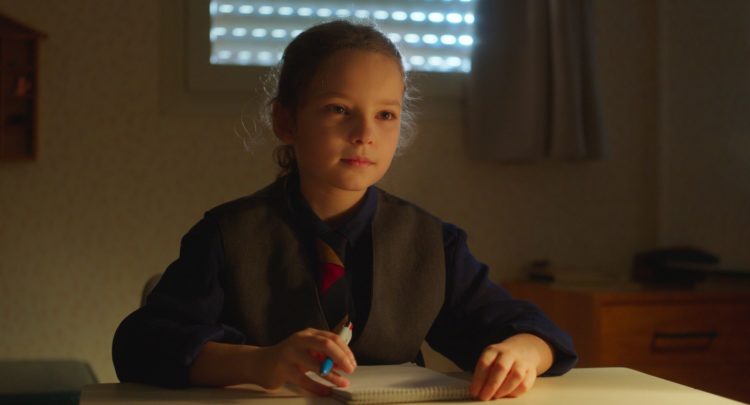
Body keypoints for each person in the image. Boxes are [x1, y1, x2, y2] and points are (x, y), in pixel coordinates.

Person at [112, 20, 577, 401]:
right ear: (286, 121)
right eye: (338, 109)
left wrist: (523, 352)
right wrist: (260, 362)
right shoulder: (226, 236)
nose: (364, 133)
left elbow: (530, 330)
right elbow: (140, 344)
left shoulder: (433, 243)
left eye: (385, 115)